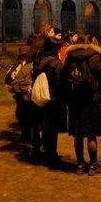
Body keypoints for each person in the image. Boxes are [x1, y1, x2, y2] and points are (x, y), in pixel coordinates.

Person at [62, 35, 101, 175]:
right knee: (91, 135)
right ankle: (93, 164)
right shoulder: (95, 57)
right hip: (92, 99)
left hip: (75, 100)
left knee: (77, 135)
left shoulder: (70, 57)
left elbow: (64, 80)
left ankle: (80, 164)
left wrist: (66, 99)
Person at [32, 25, 66, 167]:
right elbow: (60, 83)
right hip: (52, 99)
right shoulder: (56, 63)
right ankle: (52, 155)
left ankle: (41, 151)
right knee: (52, 129)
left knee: (43, 126)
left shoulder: (39, 61)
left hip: (39, 98)